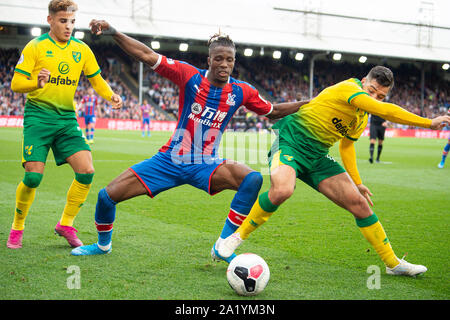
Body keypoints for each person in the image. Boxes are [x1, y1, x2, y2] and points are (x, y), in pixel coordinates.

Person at [71, 20, 309, 259]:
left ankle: (223, 246)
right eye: (219, 59)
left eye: (229, 59)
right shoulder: (189, 76)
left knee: (252, 179)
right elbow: (145, 54)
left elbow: (274, 111)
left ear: (234, 61)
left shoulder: (241, 91)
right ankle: (103, 245)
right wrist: (113, 32)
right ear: (209, 60)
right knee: (106, 197)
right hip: (170, 160)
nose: (224, 64)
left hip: (206, 164)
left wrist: (313, 103)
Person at [217, 66, 450, 276]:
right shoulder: (348, 88)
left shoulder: (360, 117)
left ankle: (393, 263)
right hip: (291, 141)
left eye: (381, 95)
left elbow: (347, 146)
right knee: (283, 190)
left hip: (318, 155)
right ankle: (235, 238)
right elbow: (384, 110)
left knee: (360, 204)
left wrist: (357, 182)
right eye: (372, 91)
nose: (375, 98)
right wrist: (428, 123)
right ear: (362, 82)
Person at [7, 0, 122, 249]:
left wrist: (110, 95)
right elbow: (16, 84)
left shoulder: (81, 50)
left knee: (86, 171)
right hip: (38, 117)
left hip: (66, 120)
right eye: (63, 21)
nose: (68, 26)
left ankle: (66, 224)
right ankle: (17, 226)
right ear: (50, 20)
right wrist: (35, 84)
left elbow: (97, 79)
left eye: (72, 22)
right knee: (34, 178)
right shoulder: (36, 46)